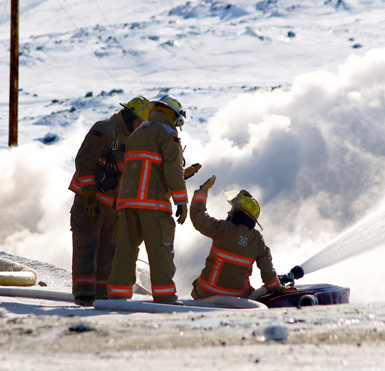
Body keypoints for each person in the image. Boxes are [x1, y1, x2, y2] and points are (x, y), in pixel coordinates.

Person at [107, 95, 190, 305]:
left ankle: (117, 294)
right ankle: (164, 296)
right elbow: (172, 170)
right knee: (160, 249)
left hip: (127, 202)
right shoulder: (168, 134)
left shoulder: (138, 132)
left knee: (125, 249)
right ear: (172, 114)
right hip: (153, 203)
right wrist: (181, 200)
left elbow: (144, 167)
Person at [69, 96, 150, 306]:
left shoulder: (133, 138)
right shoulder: (104, 129)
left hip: (113, 207)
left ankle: (102, 294)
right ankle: (84, 293)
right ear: (131, 115)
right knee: (88, 246)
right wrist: (88, 193)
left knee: (109, 251)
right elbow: (84, 161)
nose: (140, 127)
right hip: (90, 202)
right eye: (140, 122)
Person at [190, 175, 282, 300]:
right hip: (239, 297)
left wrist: (202, 191)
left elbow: (198, 217)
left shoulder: (222, 229)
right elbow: (269, 276)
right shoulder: (257, 240)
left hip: (206, 293)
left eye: (232, 209)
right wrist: (277, 286)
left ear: (238, 213)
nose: (228, 212)